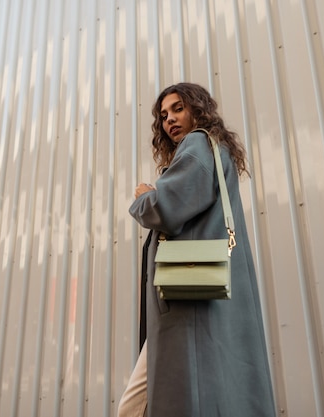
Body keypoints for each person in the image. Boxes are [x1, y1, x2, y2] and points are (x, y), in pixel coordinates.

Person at [118, 83, 276, 417]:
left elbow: (165, 208)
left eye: (178, 109)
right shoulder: (216, 149)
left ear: (197, 109)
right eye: (163, 115)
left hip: (187, 295)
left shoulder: (198, 143)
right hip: (200, 291)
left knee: (144, 403)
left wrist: (144, 195)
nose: (169, 120)